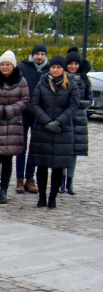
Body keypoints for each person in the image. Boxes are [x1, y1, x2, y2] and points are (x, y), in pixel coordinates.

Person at [28, 55, 78, 209]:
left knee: (58, 166)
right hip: (43, 129)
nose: (55, 70)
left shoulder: (71, 83)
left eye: (58, 67)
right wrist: (47, 121)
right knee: (41, 165)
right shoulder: (42, 82)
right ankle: (42, 196)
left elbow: (73, 106)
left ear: (63, 69)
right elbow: (34, 104)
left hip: (62, 130)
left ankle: (53, 197)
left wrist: (59, 121)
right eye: (53, 67)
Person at [0, 51, 29, 205]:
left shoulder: (21, 82)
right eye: (2, 64)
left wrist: (10, 110)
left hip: (12, 123)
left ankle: (4, 190)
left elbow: (25, 100)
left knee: (7, 159)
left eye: (8, 64)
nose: (5, 67)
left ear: (13, 66)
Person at [16, 44, 48, 194]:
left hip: (40, 114)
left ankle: (30, 178)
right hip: (24, 112)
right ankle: (19, 179)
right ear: (33, 54)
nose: (39, 57)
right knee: (21, 147)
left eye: (42, 54)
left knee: (35, 148)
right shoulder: (23, 67)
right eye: (37, 54)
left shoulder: (49, 70)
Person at [64, 52, 90, 195]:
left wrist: (77, 104)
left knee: (74, 153)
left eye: (76, 64)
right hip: (65, 117)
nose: (73, 66)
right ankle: (60, 180)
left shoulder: (84, 80)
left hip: (79, 118)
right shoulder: (62, 78)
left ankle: (69, 181)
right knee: (63, 150)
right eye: (70, 64)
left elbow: (89, 100)